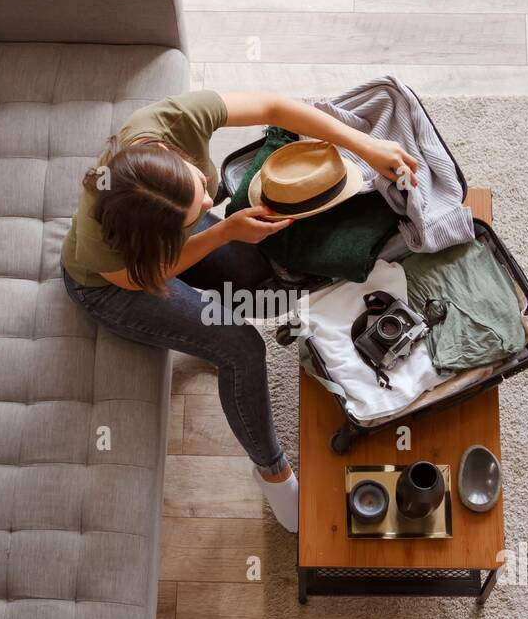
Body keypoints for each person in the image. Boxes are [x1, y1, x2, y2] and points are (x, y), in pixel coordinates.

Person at [60, 90, 417, 532]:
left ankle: (206, 318)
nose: (210, 203)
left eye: (199, 187)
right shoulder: (104, 237)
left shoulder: (172, 120)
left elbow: (275, 108)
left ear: (173, 154)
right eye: (195, 214)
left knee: (261, 276)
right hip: (115, 285)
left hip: (159, 252)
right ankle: (271, 471)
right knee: (240, 347)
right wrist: (223, 231)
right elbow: (144, 278)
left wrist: (364, 146)